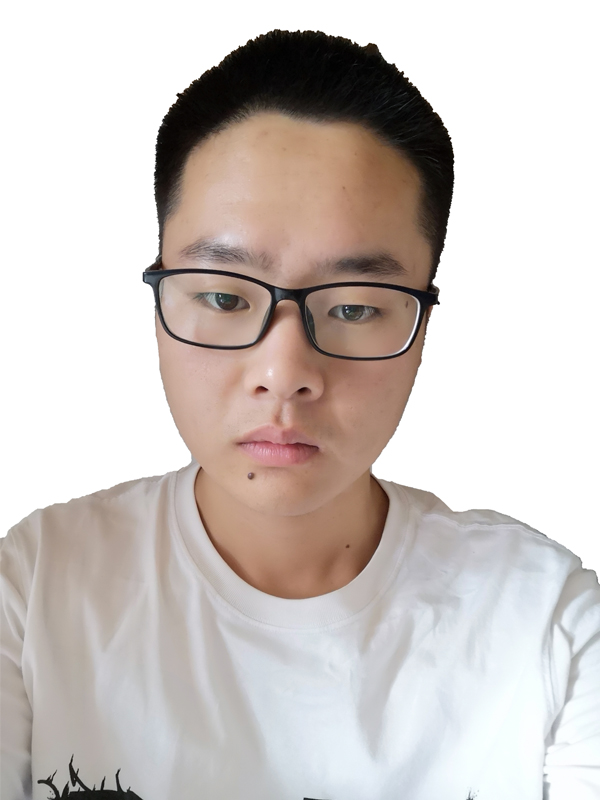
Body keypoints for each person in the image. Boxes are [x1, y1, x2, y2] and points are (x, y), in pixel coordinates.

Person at [1, 28, 598, 800]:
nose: (284, 375)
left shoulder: (549, 633)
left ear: (422, 327)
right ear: (158, 301)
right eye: (224, 297)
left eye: (353, 307)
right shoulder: (34, 592)